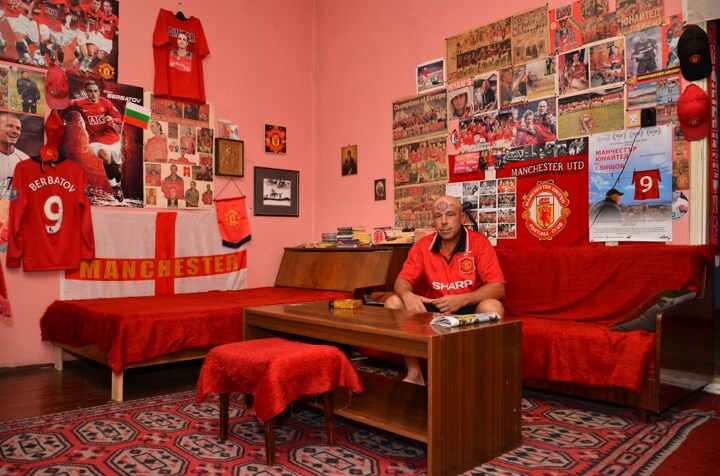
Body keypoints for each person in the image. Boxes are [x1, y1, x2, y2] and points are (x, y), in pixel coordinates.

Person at [384, 195, 506, 385]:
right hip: (434, 308)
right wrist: (407, 295)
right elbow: (402, 281)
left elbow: (498, 288)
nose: (443, 222)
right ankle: (415, 373)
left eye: (450, 214)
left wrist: (463, 299)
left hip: (467, 308)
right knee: (393, 302)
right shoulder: (423, 246)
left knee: (493, 307)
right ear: (433, 220)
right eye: (438, 216)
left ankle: (482, 376)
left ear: (462, 218)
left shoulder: (479, 243)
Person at [69, 80, 125, 201]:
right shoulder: (80, 103)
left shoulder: (106, 103)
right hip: (96, 140)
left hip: (113, 140)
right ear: (86, 92)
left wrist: (112, 119)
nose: (93, 94)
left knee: (118, 169)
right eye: (90, 91)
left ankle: (119, 186)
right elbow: (65, 104)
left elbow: (120, 120)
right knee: (106, 157)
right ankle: (115, 189)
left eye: (95, 91)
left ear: (99, 92)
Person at [81, 0, 119, 74]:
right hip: (99, 36)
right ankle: (81, 63)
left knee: (101, 54)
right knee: (91, 51)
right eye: (104, 6)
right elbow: (90, 18)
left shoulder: (115, 18)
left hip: (108, 41)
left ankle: (87, 68)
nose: (105, 8)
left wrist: (117, 31)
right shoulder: (100, 14)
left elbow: (118, 27)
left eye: (107, 6)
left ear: (111, 8)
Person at [0, 114, 29, 197]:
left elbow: (25, 193)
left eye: (18, 128)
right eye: (9, 126)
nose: (15, 131)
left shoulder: (25, 159)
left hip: (13, 204)